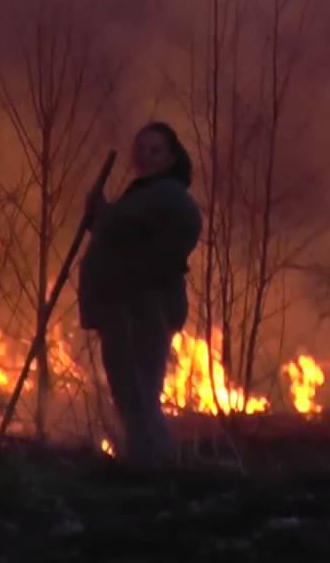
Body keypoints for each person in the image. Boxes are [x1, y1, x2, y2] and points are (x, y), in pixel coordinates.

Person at [77, 121, 202, 466]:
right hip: (126, 310)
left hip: (138, 312)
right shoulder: (145, 196)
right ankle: (148, 469)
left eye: (155, 150)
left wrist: (105, 217)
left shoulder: (168, 197)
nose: (145, 156)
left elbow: (141, 240)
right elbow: (121, 234)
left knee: (138, 397)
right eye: (141, 149)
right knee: (133, 397)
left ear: (172, 157)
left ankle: (154, 472)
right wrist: (103, 217)